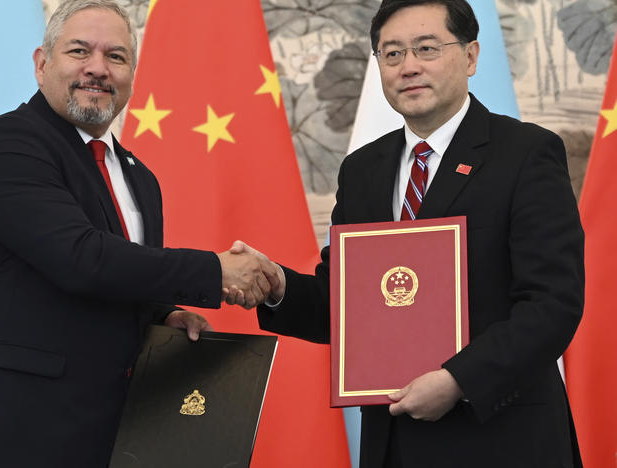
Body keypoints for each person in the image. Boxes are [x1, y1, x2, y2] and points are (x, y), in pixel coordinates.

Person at [0, 1, 277, 467]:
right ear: (42, 64)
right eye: (80, 51)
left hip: (101, 436)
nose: (98, 69)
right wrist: (215, 270)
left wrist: (162, 315)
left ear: (131, 74)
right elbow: (81, 259)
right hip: (2, 435)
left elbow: (120, 278)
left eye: (117, 57)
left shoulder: (139, 177)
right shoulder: (11, 144)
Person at [229, 0, 585, 466]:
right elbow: (349, 307)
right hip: (394, 443)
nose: (409, 67)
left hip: (502, 437)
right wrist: (279, 287)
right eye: (392, 53)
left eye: (426, 48)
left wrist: (458, 381)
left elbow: (552, 304)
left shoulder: (526, 153)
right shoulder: (363, 170)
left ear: (472, 56)